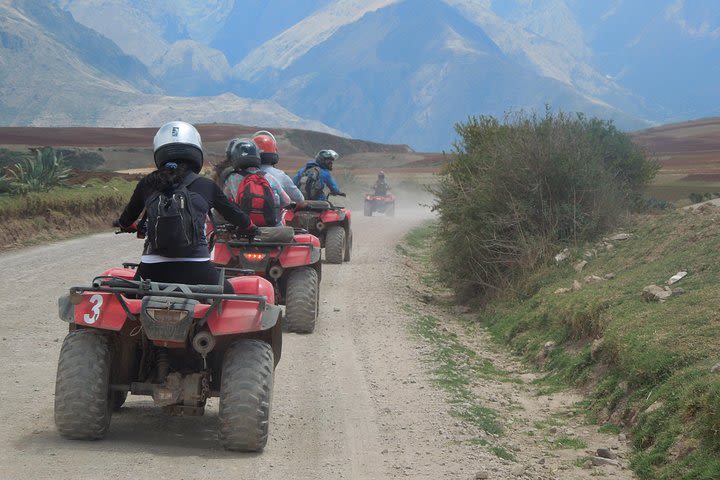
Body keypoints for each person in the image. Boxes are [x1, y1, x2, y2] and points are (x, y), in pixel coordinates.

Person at [114, 121, 255, 288]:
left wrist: (126, 225)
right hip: (197, 268)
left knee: (130, 301)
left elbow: (126, 219)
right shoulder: (207, 186)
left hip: (152, 269)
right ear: (195, 150)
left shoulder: (147, 183)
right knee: (227, 297)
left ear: (159, 151)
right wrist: (250, 227)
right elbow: (235, 214)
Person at [220, 138, 290, 226]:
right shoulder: (269, 177)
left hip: (245, 227)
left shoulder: (232, 178)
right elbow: (287, 200)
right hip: (272, 228)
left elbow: (223, 201)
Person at [252, 130, 305, 203]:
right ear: (274, 152)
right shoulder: (280, 175)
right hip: (273, 213)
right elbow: (299, 198)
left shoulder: (240, 174)